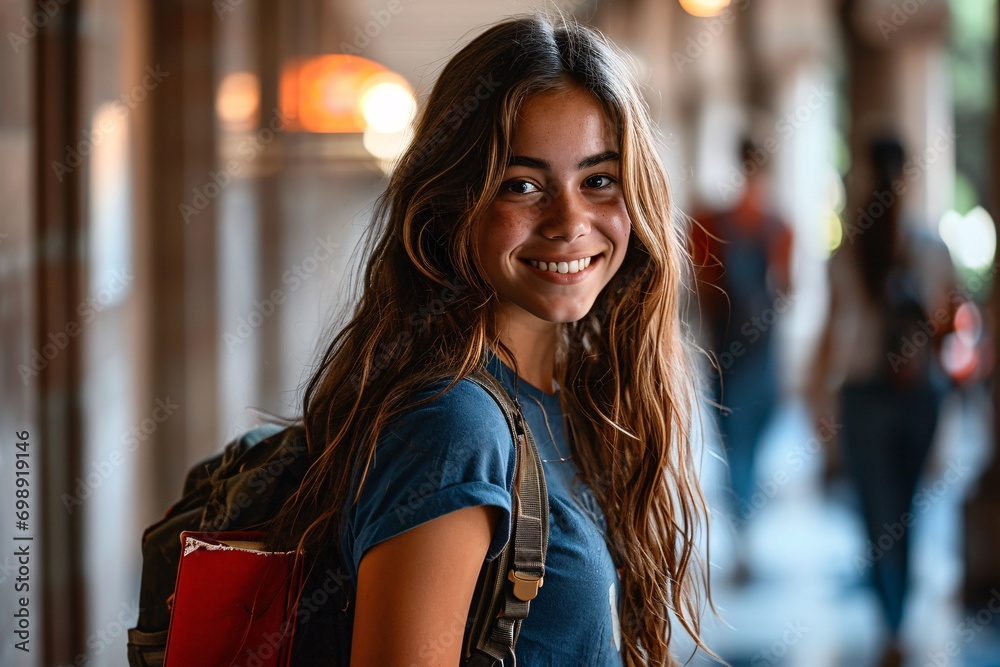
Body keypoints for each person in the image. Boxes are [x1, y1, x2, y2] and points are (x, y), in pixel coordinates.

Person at [267, 14, 712, 666]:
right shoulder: (453, 426)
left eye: (599, 180)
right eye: (522, 185)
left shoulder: (563, 399)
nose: (569, 221)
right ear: (451, 204)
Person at [810, 135, 956, 667]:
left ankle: (892, 619)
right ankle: (897, 618)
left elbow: (833, 331)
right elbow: (948, 327)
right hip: (917, 395)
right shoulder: (930, 247)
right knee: (906, 512)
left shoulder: (850, 250)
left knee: (880, 513)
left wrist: (817, 398)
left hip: (867, 396)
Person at [691, 138, 792, 581]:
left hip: (734, 353)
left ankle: (743, 531)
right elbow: (787, 290)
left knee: (739, 444)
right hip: (747, 353)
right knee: (741, 444)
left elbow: (700, 288)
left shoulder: (718, 223)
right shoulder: (772, 226)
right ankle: (743, 533)